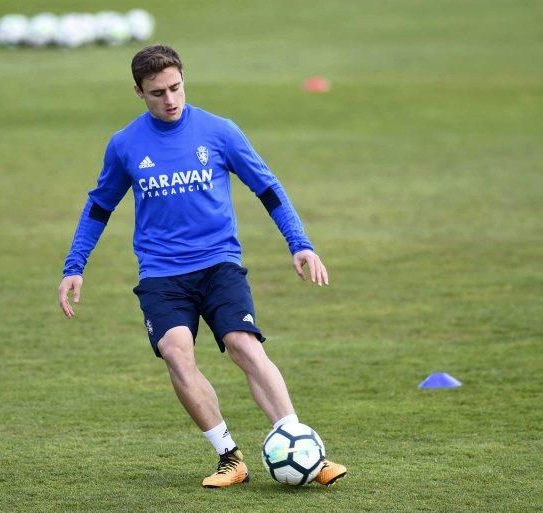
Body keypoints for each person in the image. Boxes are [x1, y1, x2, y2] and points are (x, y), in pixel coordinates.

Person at [58, 44, 347, 488]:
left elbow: (267, 188)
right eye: (157, 93)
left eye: (176, 88)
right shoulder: (125, 145)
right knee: (177, 353)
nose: (170, 100)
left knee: (242, 345)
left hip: (218, 263)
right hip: (160, 273)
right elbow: (99, 206)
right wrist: (74, 265)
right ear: (139, 91)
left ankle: (303, 446)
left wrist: (300, 243)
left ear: (183, 80)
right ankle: (230, 458)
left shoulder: (220, 131)